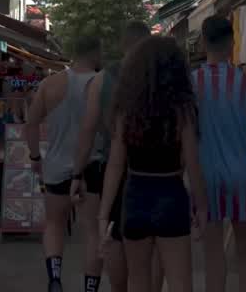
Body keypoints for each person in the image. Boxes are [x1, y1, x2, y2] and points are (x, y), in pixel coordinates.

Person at [100, 36, 206, 292]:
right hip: (171, 194)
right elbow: (193, 163)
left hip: (135, 195)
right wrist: (201, 207)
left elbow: (115, 165)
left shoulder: (127, 110)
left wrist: (103, 214)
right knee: (180, 282)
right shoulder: (183, 110)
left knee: (138, 280)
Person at [70, 22, 160, 292]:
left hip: (116, 170)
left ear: (123, 45)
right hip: (159, 170)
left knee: (116, 236)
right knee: (156, 241)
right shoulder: (165, 74)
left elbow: (87, 131)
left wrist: (77, 173)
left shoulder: (103, 79)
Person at [193, 17, 246, 292]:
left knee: (213, 257)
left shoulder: (191, 85)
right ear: (232, 43)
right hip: (244, 177)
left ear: (203, 42)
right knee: (245, 255)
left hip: (206, 177)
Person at [26, 34, 103, 292]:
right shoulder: (102, 84)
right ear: (95, 53)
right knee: (92, 231)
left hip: (56, 166)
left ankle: (55, 278)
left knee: (54, 223)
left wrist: (35, 156)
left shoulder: (50, 84)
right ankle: (90, 288)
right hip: (93, 165)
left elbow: (31, 123)